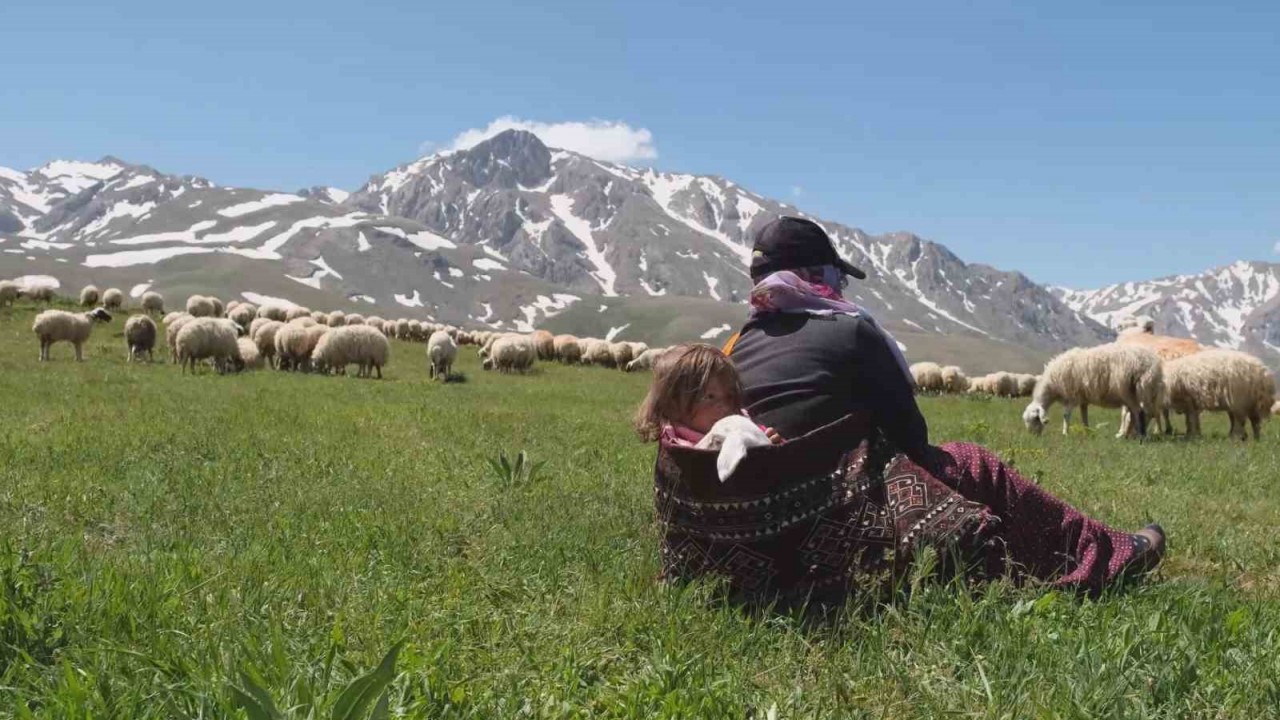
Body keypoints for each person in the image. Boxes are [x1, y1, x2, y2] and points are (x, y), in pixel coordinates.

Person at [650, 216, 1165, 608]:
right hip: (826, 510)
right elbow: (912, 437)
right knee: (974, 465)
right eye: (835, 277)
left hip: (751, 519)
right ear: (814, 275)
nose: (842, 288)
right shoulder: (851, 331)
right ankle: (1106, 556)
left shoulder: (740, 342)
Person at [635, 343, 783, 480]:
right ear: (672, 405)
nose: (724, 406)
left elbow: (769, 445)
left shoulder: (738, 422)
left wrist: (773, 442)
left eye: (730, 396)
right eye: (709, 397)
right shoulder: (676, 443)